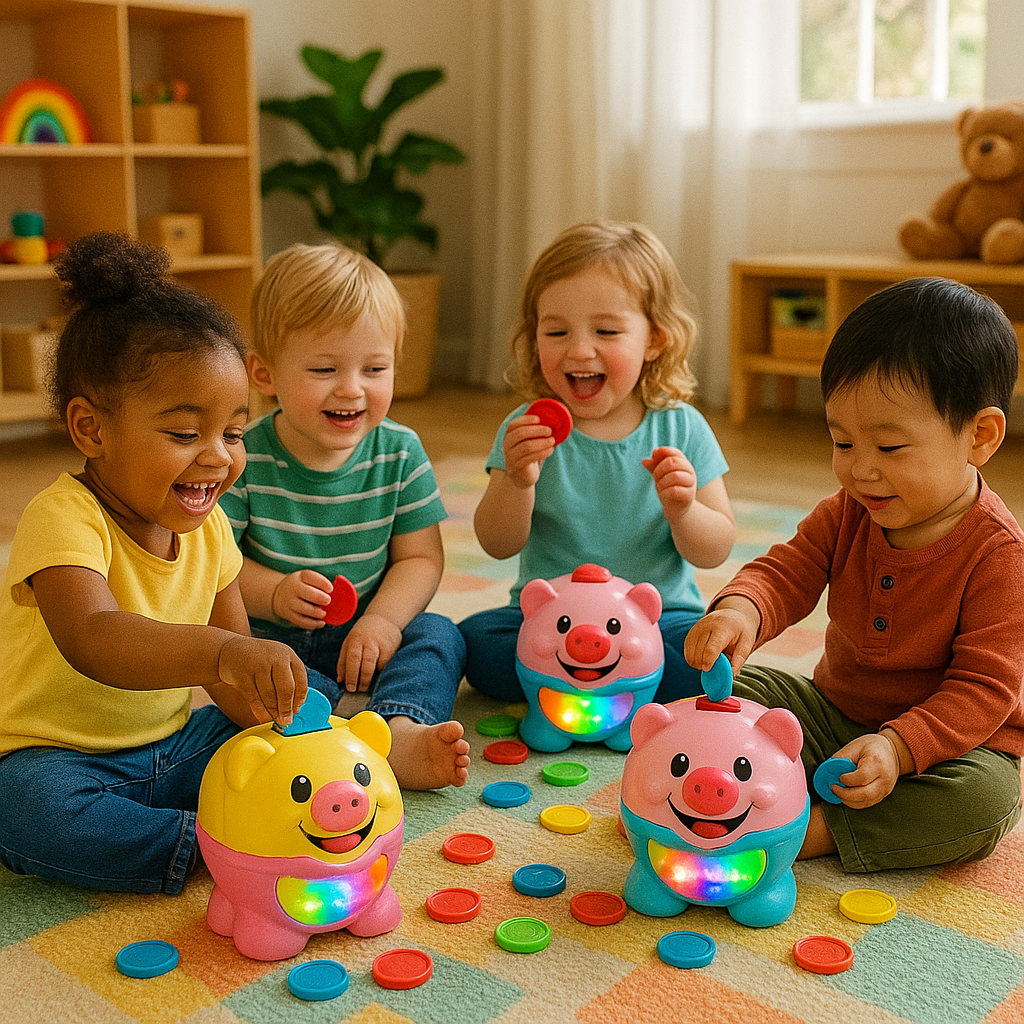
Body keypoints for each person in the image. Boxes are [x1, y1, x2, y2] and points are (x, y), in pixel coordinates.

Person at [0, 231, 314, 894]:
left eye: (233, 432)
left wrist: (282, 715)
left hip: (174, 749)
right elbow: (95, 638)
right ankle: (207, 842)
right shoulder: (62, 518)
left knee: (301, 710)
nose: (220, 455)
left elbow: (232, 669)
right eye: (184, 433)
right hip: (55, 761)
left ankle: (293, 791)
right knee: (31, 814)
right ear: (92, 429)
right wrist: (220, 656)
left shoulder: (209, 527)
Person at [685, 276, 1024, 872]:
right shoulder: (847, 514)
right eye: (842, 441)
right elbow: (787, 570)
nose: (860, 470)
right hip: (835, 714)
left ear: (980, 436)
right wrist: (740, 610)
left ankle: (810, 829)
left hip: (945, 749)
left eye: (890, 449)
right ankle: (764, 787)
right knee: (734, 691)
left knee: (986, 801)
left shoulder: (1001, 557)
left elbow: (986, 690)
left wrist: (898, 748)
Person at [219, 243, 469, 791]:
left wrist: (383, 621)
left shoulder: (400, 451)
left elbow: (422, 557)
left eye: (375, 368)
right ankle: (331, 729)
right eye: (324, 368)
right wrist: (275, 592)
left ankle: (399, 728)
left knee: (440, 635)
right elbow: (217, 566)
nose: (352, 388)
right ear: (264, 374)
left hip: (371, 630)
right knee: (239, 669)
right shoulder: (242, 457)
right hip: (276, 640)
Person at [460, 220, 736, 702]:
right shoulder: (527, 430)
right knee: (473, 644)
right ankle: (614, 682)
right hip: (551, 621)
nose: (579, 349)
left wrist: (684, 510)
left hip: (657, 617)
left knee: (708, 657)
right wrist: (518, 482)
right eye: (556, 330)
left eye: (606, 330)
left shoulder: (682, 427)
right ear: (534, 337)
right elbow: (496, 544)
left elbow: (715, 549)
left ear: (655, 340)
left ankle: (576, 681)